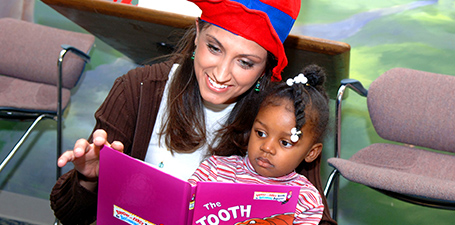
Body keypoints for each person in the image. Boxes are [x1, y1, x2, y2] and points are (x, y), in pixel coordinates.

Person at [50, 1, 336, 224]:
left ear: (266, 68)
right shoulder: (138, 90)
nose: (222, 74)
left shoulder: (282, 118)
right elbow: (69, 215)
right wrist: (91, 178)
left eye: (245, 63)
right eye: (214, 48)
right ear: (197, 34)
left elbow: (315, 215)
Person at [189, 65, 329, 224]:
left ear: (311, 153)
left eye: (285, 142)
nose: (267, 147)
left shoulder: (305, 200)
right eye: (260, 133)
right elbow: (183, 211)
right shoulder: (214, 170)